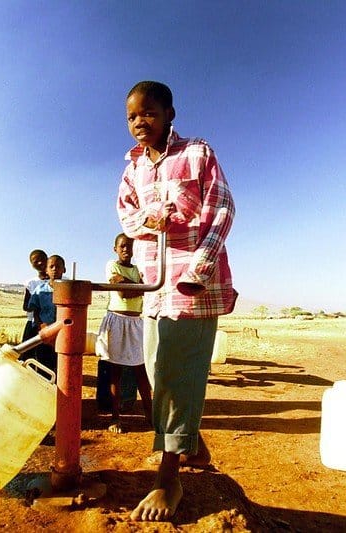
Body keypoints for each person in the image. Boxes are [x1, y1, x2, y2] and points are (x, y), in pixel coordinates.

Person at [116, 81, 236, 522]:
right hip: (154, 287)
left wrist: (199, 270)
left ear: (170, 114)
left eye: (148, 113)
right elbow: (126, 216)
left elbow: (222, 209)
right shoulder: (131, 168)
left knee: (172, 375)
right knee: (155, 369)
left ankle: (170, 477)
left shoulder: (197, 154)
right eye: (131, 116)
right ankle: (192, 444)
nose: (138, 122)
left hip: (192, 286)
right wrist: (149, 218)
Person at [95, 233, 152, 433]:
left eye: (130, 246)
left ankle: (150, 415)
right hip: (117, 321)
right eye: (122, 246)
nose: (126, 249)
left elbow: (133, 287)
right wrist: (142, 288)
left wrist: (133, 286)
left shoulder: (139, 270)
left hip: (136, 322)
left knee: (141, 370)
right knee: (115, 372)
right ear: (115, 249)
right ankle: (115, 418)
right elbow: (122, 290)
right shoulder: (112, 265)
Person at [27, 254, 65, 374]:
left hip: (62, 334)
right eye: (51, 266)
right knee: (44, 366)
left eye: (58, 266)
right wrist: (43, 327)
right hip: (44, 333)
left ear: (64, 269)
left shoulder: (68, 289)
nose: (54, 269)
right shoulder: (40, 290)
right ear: (46, 270)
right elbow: (35, 311)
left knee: (61, 366)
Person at [20, 249, 48, 348]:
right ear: (32, 265)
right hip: (33, 324)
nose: (40, 262)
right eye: (35, 261)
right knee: (27, 354)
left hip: (53, 324)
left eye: (42, 259)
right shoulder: (31, 283)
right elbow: (26, 306)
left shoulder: (61, 281)